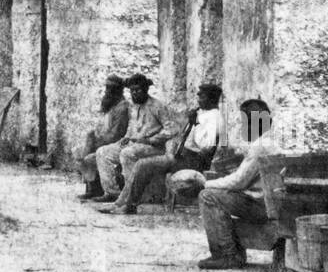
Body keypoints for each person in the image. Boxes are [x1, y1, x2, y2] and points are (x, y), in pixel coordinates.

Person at [101, 82, 226, 215]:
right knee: (141, 163)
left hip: (194, 160)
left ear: (211, 99)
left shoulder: (215, 117)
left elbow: (205, 148)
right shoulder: (204, 114)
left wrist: (194, 123)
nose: (198, 100)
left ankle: (128, 205)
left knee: (143, 165)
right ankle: (122, 203)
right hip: (184, 156)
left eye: (202, 97)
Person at [196, 98, 279, 270]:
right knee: (220, 193)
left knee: (208, 196)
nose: (241, 127)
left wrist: (206, 183)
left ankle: (227, 255)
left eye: (243, 122)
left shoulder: (260, 147)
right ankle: (232, 253)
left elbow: (239, 181)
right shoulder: (271, 140)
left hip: (263, 205)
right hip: (275, 202)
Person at [91, 73, 173, 204]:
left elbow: (170, 130)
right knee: (103, 152)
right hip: (133, 144)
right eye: (132, 91)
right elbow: (131, 127)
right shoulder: (134, 107)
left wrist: (151, 139)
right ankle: (113, 192)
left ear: (145, 90)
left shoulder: (157, 106)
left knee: (127, 154)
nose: (135, 94)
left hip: (153, 147)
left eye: (138, 90)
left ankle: (132, 196)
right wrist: (126, 137)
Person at [78, 74, 130, 200]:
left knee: (90, 157)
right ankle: (92, 188)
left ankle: (108, 192)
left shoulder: (122, 108)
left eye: (111, 88)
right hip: (104, 141)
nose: (107, 91)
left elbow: (116, 135)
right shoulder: (110, 106)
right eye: (107, 88)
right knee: (78, 152)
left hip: (115, 144)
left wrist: (97, 143)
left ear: (118, 90)